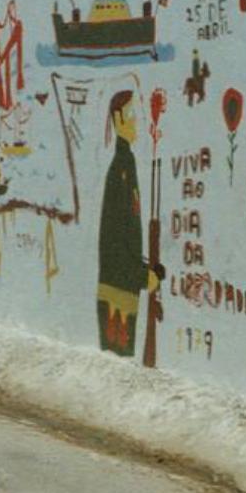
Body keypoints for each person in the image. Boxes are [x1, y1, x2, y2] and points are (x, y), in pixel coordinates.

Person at [97, 91, 158, 357]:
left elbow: (126, 232)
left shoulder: (126, 163)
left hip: (123, 289)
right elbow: (114, 236)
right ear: (119, 118)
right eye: (131, 115)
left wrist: (146, 270)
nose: (136, 121)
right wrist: (141, 276)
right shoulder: (120, 168)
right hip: (117, 292)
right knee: (117, 359)